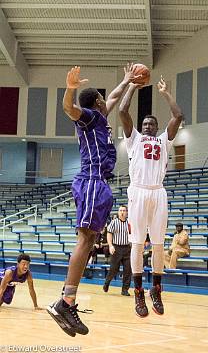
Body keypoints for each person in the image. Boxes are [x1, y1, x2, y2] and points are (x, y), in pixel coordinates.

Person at [47, 64, 138, 337]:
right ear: (96, 102)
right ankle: (65, 302)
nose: (105, 100)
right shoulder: (88, 117)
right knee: (85, 240)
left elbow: (113, 97)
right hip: (91, 181)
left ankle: (66, 302)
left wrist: (127, 81)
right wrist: (71, 89)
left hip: (100, 184)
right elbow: (69, 109)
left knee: (89, 242)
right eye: (102, 98)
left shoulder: (100, 117)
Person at [119, 76, 183, 318]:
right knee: (137, 243)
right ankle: (138, 292)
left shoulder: (163, 140)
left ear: (156, 128)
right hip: (138, 191)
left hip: (158, 192)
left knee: (158, 244)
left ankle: (156, 289)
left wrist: (166, 93)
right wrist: (133, 86)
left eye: (151, 124)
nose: (147, 126)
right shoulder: (133, 138)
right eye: (144, 124)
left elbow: (178, 117)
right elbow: (124, 110)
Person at [103, 205, 131, 296]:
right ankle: (107, 282)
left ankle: (125, 289)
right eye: (120, 210)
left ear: (127, 212)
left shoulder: (130, 223)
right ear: (118, 212)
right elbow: (109, 234)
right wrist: (111, 245)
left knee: (128, 270)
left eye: (124, 210)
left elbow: (133, 235)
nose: (122, 212)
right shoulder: (114, 222)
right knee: (114, 269)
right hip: (116, 248)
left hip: (127, 248)